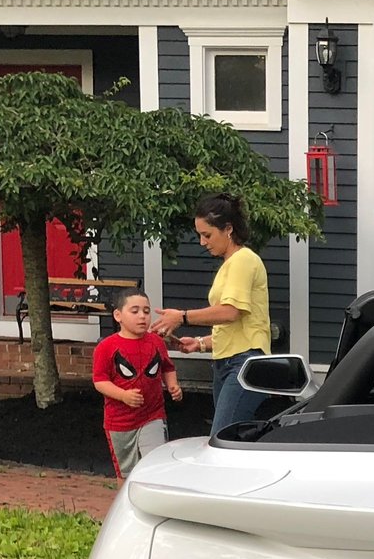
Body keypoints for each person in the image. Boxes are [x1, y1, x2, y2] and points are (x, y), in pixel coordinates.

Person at [154, 193, 272, 435]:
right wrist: (200, 344)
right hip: (228, 362)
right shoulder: (230, 264)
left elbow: (230, 312)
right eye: (200, 235)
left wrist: (181, 317)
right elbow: (236, 327)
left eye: (207, 235)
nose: (202, 242)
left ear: (228, 229)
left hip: (244, 363)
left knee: (221, 439)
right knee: (230, 440)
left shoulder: (243, 260)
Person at [92, 291, 182, 479]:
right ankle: (126, 498)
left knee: (154, 465)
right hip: (120, 422)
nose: (142, 316)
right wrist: (123, 395)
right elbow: (100, 381)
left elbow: (167, 367)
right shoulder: (106, 347)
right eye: (135, 311)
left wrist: (172, 385)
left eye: (146, 311)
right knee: (126, 473)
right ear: (118, 316)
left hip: (152, 415)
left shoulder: (156, 342)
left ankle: (152, 495)